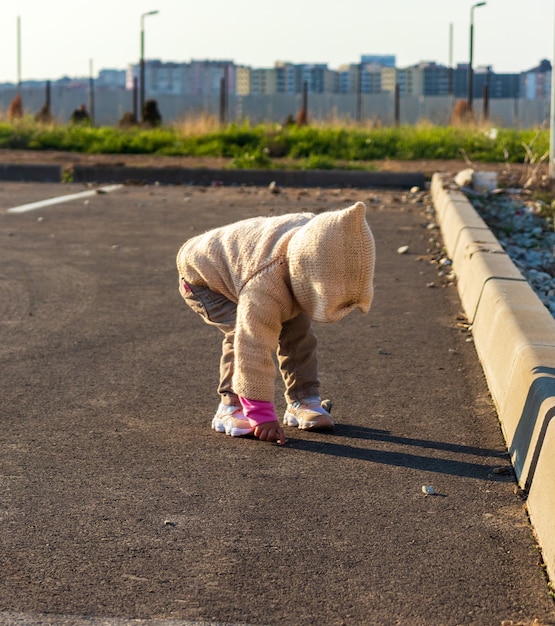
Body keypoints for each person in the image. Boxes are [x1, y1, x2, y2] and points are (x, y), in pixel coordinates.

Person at [176, 201, 376, 445]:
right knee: (242, 332)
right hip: (203, 277)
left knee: (298, 332)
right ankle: (230, 406)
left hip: (254, 263)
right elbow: (253, 348)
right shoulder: (264, 285)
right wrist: (262, 416)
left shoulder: (323, 235)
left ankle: (303, 400)